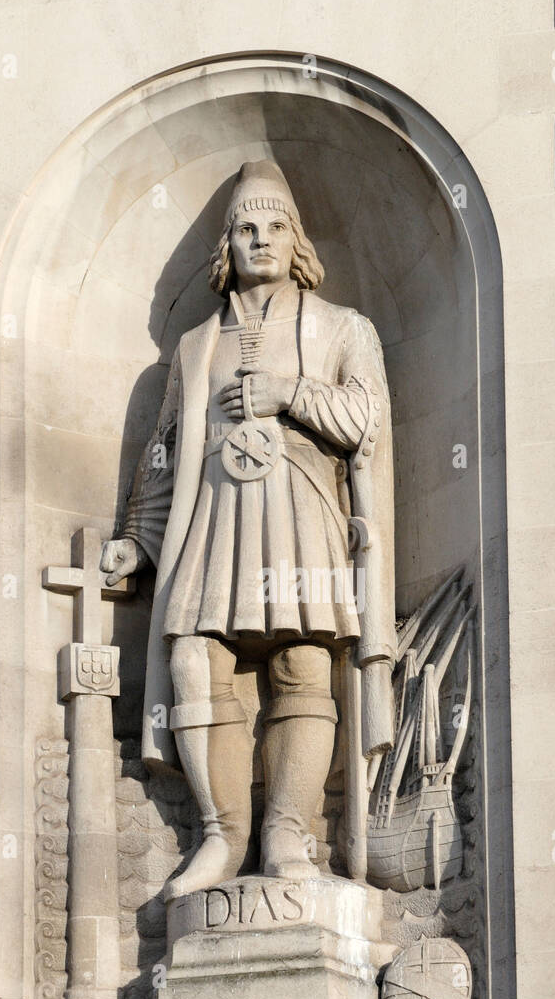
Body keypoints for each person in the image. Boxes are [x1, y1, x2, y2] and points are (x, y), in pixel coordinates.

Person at [102, 161, 395, 898]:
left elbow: (366, 422)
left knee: (302, 661)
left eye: (274, 226)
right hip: (216, 518)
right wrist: (138, 537)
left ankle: (288, 832)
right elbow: (164, 454)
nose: (259, 239)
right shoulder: (197, 345)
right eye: (244, 228)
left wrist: (288, 394)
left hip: (303, 513)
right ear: (226, 247)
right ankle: (222, 835)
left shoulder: (343, 328)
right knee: (195, 658)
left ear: (295, 239)